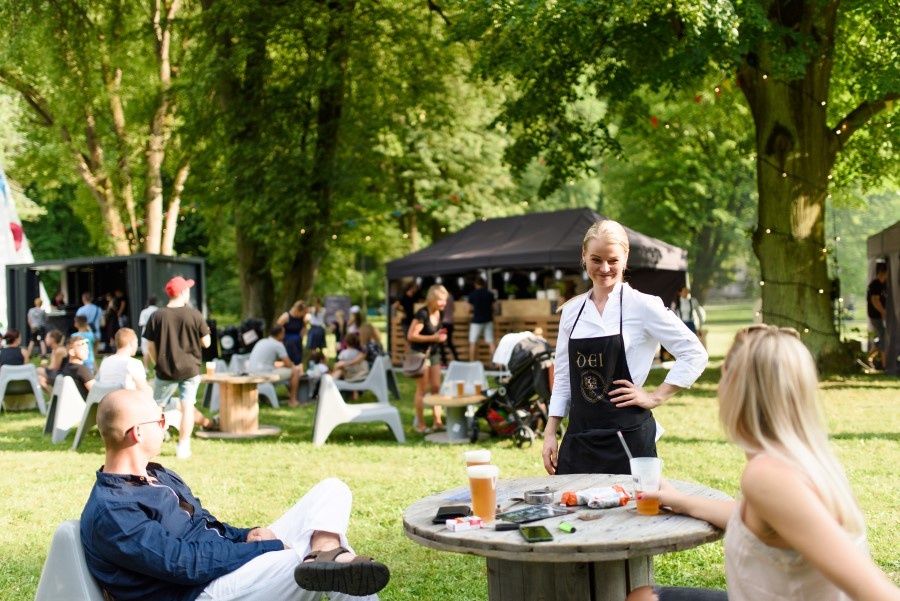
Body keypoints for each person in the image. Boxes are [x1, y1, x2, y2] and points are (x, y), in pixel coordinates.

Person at [626, 325, 900, 601]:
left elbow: (874, 590)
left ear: (736, 390)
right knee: (644, 596)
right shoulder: (804, 456)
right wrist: (679, 500)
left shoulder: (767, 476)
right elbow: (755, 517)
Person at [81, 389, 390, 601]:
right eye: (161, 420)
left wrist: (246, 535)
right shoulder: (114, 510)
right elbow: (184, 565)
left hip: (223, 566)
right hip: (199, 592)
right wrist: (266, 548)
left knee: (332, 490)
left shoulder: (157, 474)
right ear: (137, 432)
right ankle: (324, 554)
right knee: (314, 564)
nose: (167, 426)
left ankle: (324, 550)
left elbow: (205, 523)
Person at [542, 219, 707, 475]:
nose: (605, 268)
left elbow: (694, 353)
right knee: (573, 512)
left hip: (628, 439)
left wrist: (655, 396)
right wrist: (551, 431)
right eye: (596, 259)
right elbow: (564, 378)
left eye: (613, 260)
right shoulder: (572, 311)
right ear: (583, 256)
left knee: (632, 512)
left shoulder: (643, 305)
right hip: (579, 438)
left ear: (625, 257)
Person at [144, 276, 212, 459]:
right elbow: (206, 342)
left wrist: (157, 362)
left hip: (165, 369)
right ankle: (183, 446)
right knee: (187, 406)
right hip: (190, 369)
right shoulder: (194, 315)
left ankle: (153, 444)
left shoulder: (157, 315)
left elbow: (149, 345)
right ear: (183, 293)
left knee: (157, 407)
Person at [407, 284, 448, 433]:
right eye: (441, 300)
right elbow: (411, 335)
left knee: (436, 387)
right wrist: (434, 337)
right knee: (422, 389)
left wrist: (440, 337)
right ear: (431, 299)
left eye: (445, 300)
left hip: (434, 353)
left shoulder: (439, 313)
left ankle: (437, 421)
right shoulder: (422, 314)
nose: (444, 304)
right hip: (420, 355)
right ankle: (421, 425)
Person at [248, 325, 302, 407]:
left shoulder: (262, 341)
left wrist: (280, 365)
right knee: (295, 371)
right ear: (280, 334)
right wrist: (293, 365)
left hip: (251, 374)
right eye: (283, 333)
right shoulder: (277, 344)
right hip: (264, 376)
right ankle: (293, 401)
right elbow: (289, 364)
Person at [95, 328, 152, 394]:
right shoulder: (134, 364)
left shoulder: (105, 362)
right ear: (132, 343)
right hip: (126, 401)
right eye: (136, 342)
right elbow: (144, 391)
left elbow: (97, 382)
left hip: (106, 400)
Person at [865, 262, 888, 370]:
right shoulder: (876, 284)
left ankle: (869, 357)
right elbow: (875, 300)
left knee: (882, 338)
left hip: (878, 315)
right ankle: (884, 364)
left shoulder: (881, 285)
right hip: (876, 316)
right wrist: (883, 311)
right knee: (883, 338)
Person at [467, 277, 496, 362]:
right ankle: (495, 363)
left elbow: (468, 310)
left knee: (472, 342)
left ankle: (472, 362)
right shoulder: (489, 294)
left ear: (476, 284)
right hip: (488, 320)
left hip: (476, 320)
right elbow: (495, 307)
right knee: (491, 342)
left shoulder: (472, 294)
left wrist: (475, 310)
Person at [276, 300, 307, 366]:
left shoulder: (301, 318)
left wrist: (302, 336)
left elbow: (304, 327)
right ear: (298, 311)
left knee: (298, 361)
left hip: (297, 341)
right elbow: (278, 327)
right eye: (302, 312)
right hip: (287, 342)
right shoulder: (286, 316)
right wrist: (281, 339)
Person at [137, 295, 159, 372]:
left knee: (146, 351)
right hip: (157, 334)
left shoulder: (144, 311)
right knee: (157, 351)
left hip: (145, 335)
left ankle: (145, 368)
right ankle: (157, 367)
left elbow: (141, 323)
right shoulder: (158, 311)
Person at [440, 293, 460, 364]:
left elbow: (442, 310)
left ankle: (444, 362)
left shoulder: (443, 297)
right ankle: (457, 359)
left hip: (444, 324)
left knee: (441, 343)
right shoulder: (451, 296)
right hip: (450, 323)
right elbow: (453, 308)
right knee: (449, 343)